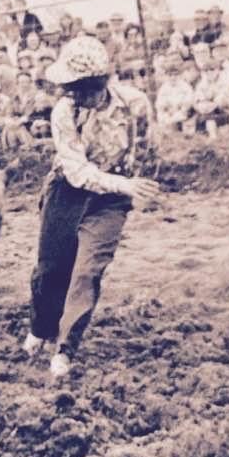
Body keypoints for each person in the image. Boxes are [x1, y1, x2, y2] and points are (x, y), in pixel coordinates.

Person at [25, 36, 159, 378]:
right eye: (69, 88)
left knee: (87, 271)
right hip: (67, 192)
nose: (74, 95)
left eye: (79, 88)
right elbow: (76, 169)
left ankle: (66, 349)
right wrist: (125, 184)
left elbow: (147, 149)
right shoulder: (63, 113)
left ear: (98, 84)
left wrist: (137, 188)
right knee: (51, 269)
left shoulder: (135, 105)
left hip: (111, 202)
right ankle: (41, 328)